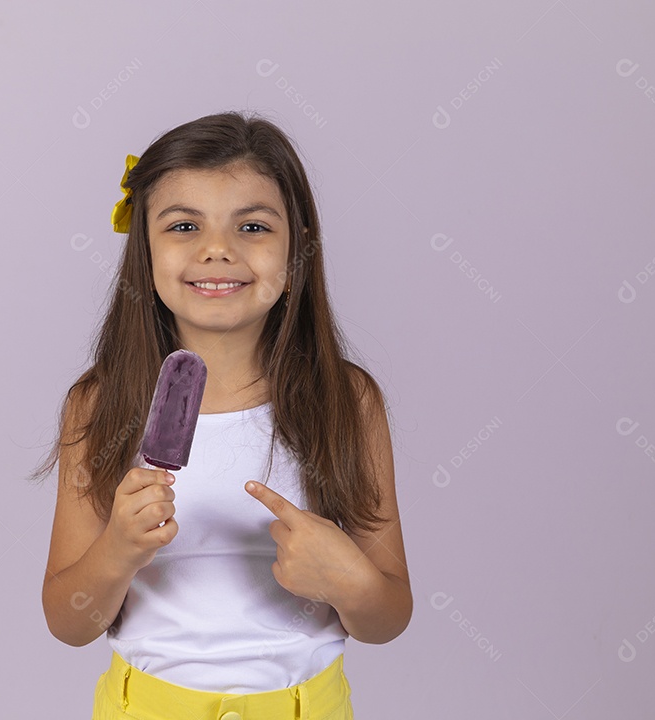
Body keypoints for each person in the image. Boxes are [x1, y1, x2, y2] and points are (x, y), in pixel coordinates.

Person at [30, 110, 412, 719]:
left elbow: (388, 617)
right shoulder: (100, 406)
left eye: (253, 227)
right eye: (184, 225)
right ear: (145, 254)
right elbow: (68, 622)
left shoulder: (347, 401)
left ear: (297, 252)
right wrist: (118, 551)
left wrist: (351, 582)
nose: (217, 250)